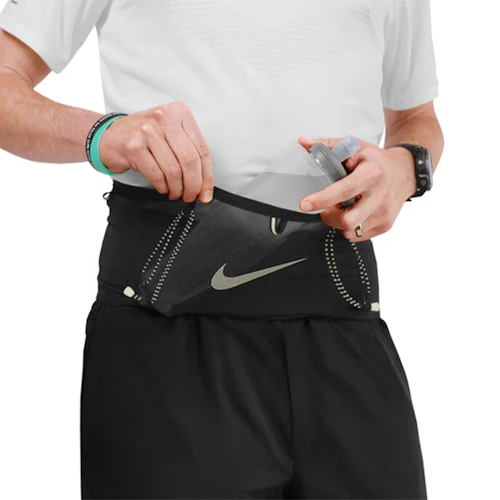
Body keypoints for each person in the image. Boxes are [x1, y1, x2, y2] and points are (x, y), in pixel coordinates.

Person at [0, 0, 444, 498]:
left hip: (343, 313)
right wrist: (103, 134)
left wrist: (406, 168)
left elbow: (416, 116)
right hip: (167, 321)